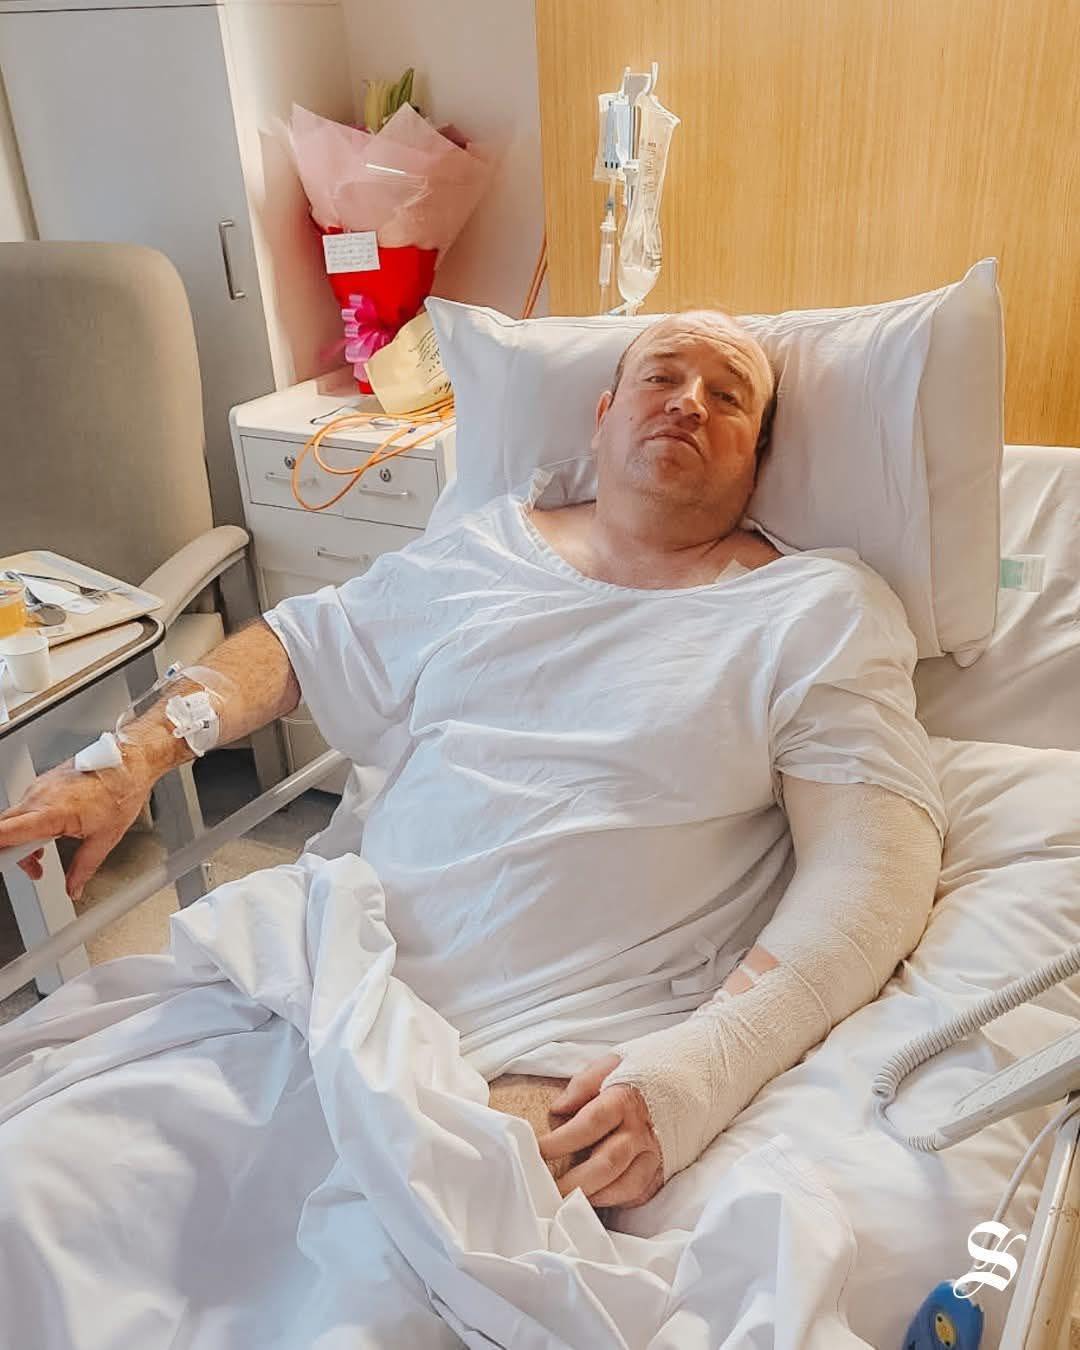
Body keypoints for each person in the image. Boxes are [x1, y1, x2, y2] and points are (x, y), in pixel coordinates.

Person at [0, 310, 945, 1216]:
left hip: (551, 1047)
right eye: (660, 376)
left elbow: (875, 871)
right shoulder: (488, 548)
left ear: (760, 455)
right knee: (47, 1181)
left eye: (728, 396)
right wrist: (131, 755)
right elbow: (301, 644)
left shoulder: (815, 609)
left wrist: (707, 1065)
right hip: (329, 973)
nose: (688, 402)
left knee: (372, 1258)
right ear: (604, 415)